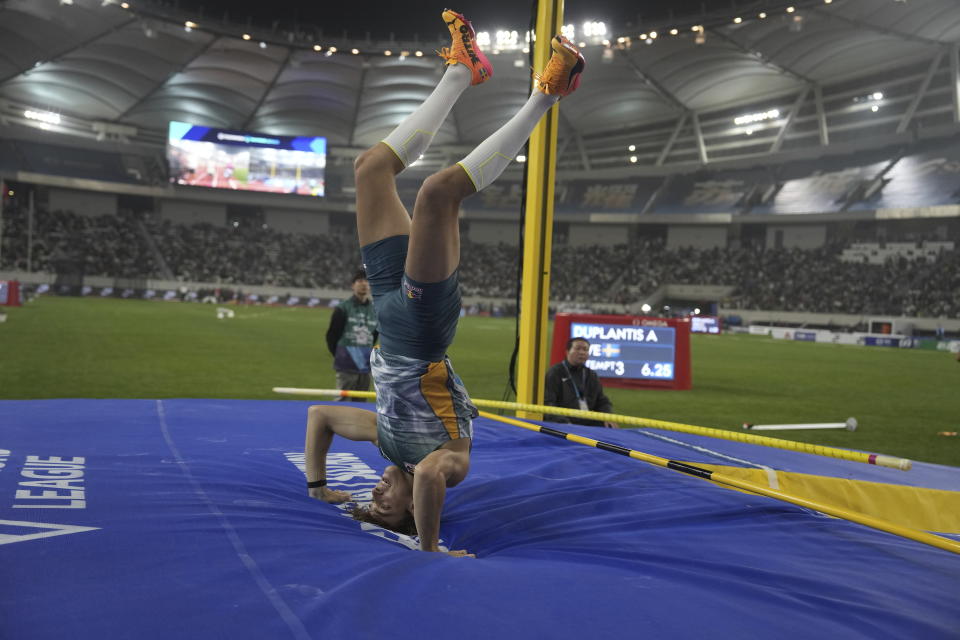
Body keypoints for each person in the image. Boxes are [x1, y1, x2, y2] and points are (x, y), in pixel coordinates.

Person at [303, 9, 585, 556]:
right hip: (420, 329)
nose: (378, 490)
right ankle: (549, 92)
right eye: (386, 504)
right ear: (413, 511)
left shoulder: (386, 443)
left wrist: (319, 489)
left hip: (387, 312)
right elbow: (428, 480)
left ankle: (462, 71)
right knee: (438, 192)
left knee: (369, 169)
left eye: (372, 498)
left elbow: (320, 417)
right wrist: (429, 548)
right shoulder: (447, 466)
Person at [544, 337, 619, 428]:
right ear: (567, 352)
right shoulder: (555, 372)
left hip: (586, 421)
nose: (582, 352)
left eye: (585, 349)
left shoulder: (591, 375)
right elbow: (548, 403)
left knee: (610, 428)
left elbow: (602, 401)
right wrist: (564, 423)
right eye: (577, 348)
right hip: (563, 422)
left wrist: (608, 415)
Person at [325, 269, 377, 394]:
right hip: (346, 363)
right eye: (360, 281)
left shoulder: (375, 310)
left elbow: (375, 334)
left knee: (361, 403)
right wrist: (340, 355)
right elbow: (331, 336)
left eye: (367, 281)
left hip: (366, 364)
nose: (364, 284)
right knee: (343, 401)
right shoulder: (343, 308)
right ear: (352, 285)